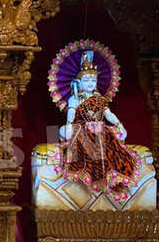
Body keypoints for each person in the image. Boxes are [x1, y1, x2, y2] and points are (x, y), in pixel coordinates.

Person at [57, 49, 138, 202]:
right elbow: (71, 114)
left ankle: (112, 177)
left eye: (93, 80)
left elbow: (108, 115)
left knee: (112, 146)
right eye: (87, 80)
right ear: (79, 82)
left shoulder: (99, 99)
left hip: (100, 129)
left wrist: (119, 124)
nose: (90, 83)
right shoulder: (75, 99)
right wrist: (69, 125)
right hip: (81, 129)